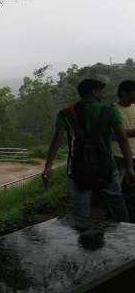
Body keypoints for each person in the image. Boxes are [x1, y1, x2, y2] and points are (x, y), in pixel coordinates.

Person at [42, 78, 135, 222]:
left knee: (81, 208)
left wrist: (48, 167)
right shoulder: (110, 112)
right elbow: (123, 140)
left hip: (79, 167)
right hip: (107, 166)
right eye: (101, 91)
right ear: (94, 92)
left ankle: (83, 237)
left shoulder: (65, 113)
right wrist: (129, 167)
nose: (103, 94)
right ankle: (127, 237)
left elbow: (56, 141)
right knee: (116, 201)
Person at [112, 80, 135, 220]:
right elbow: (110, 136)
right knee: (123, 193)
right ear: (124, 93)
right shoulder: (112, 110)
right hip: (120, 157)